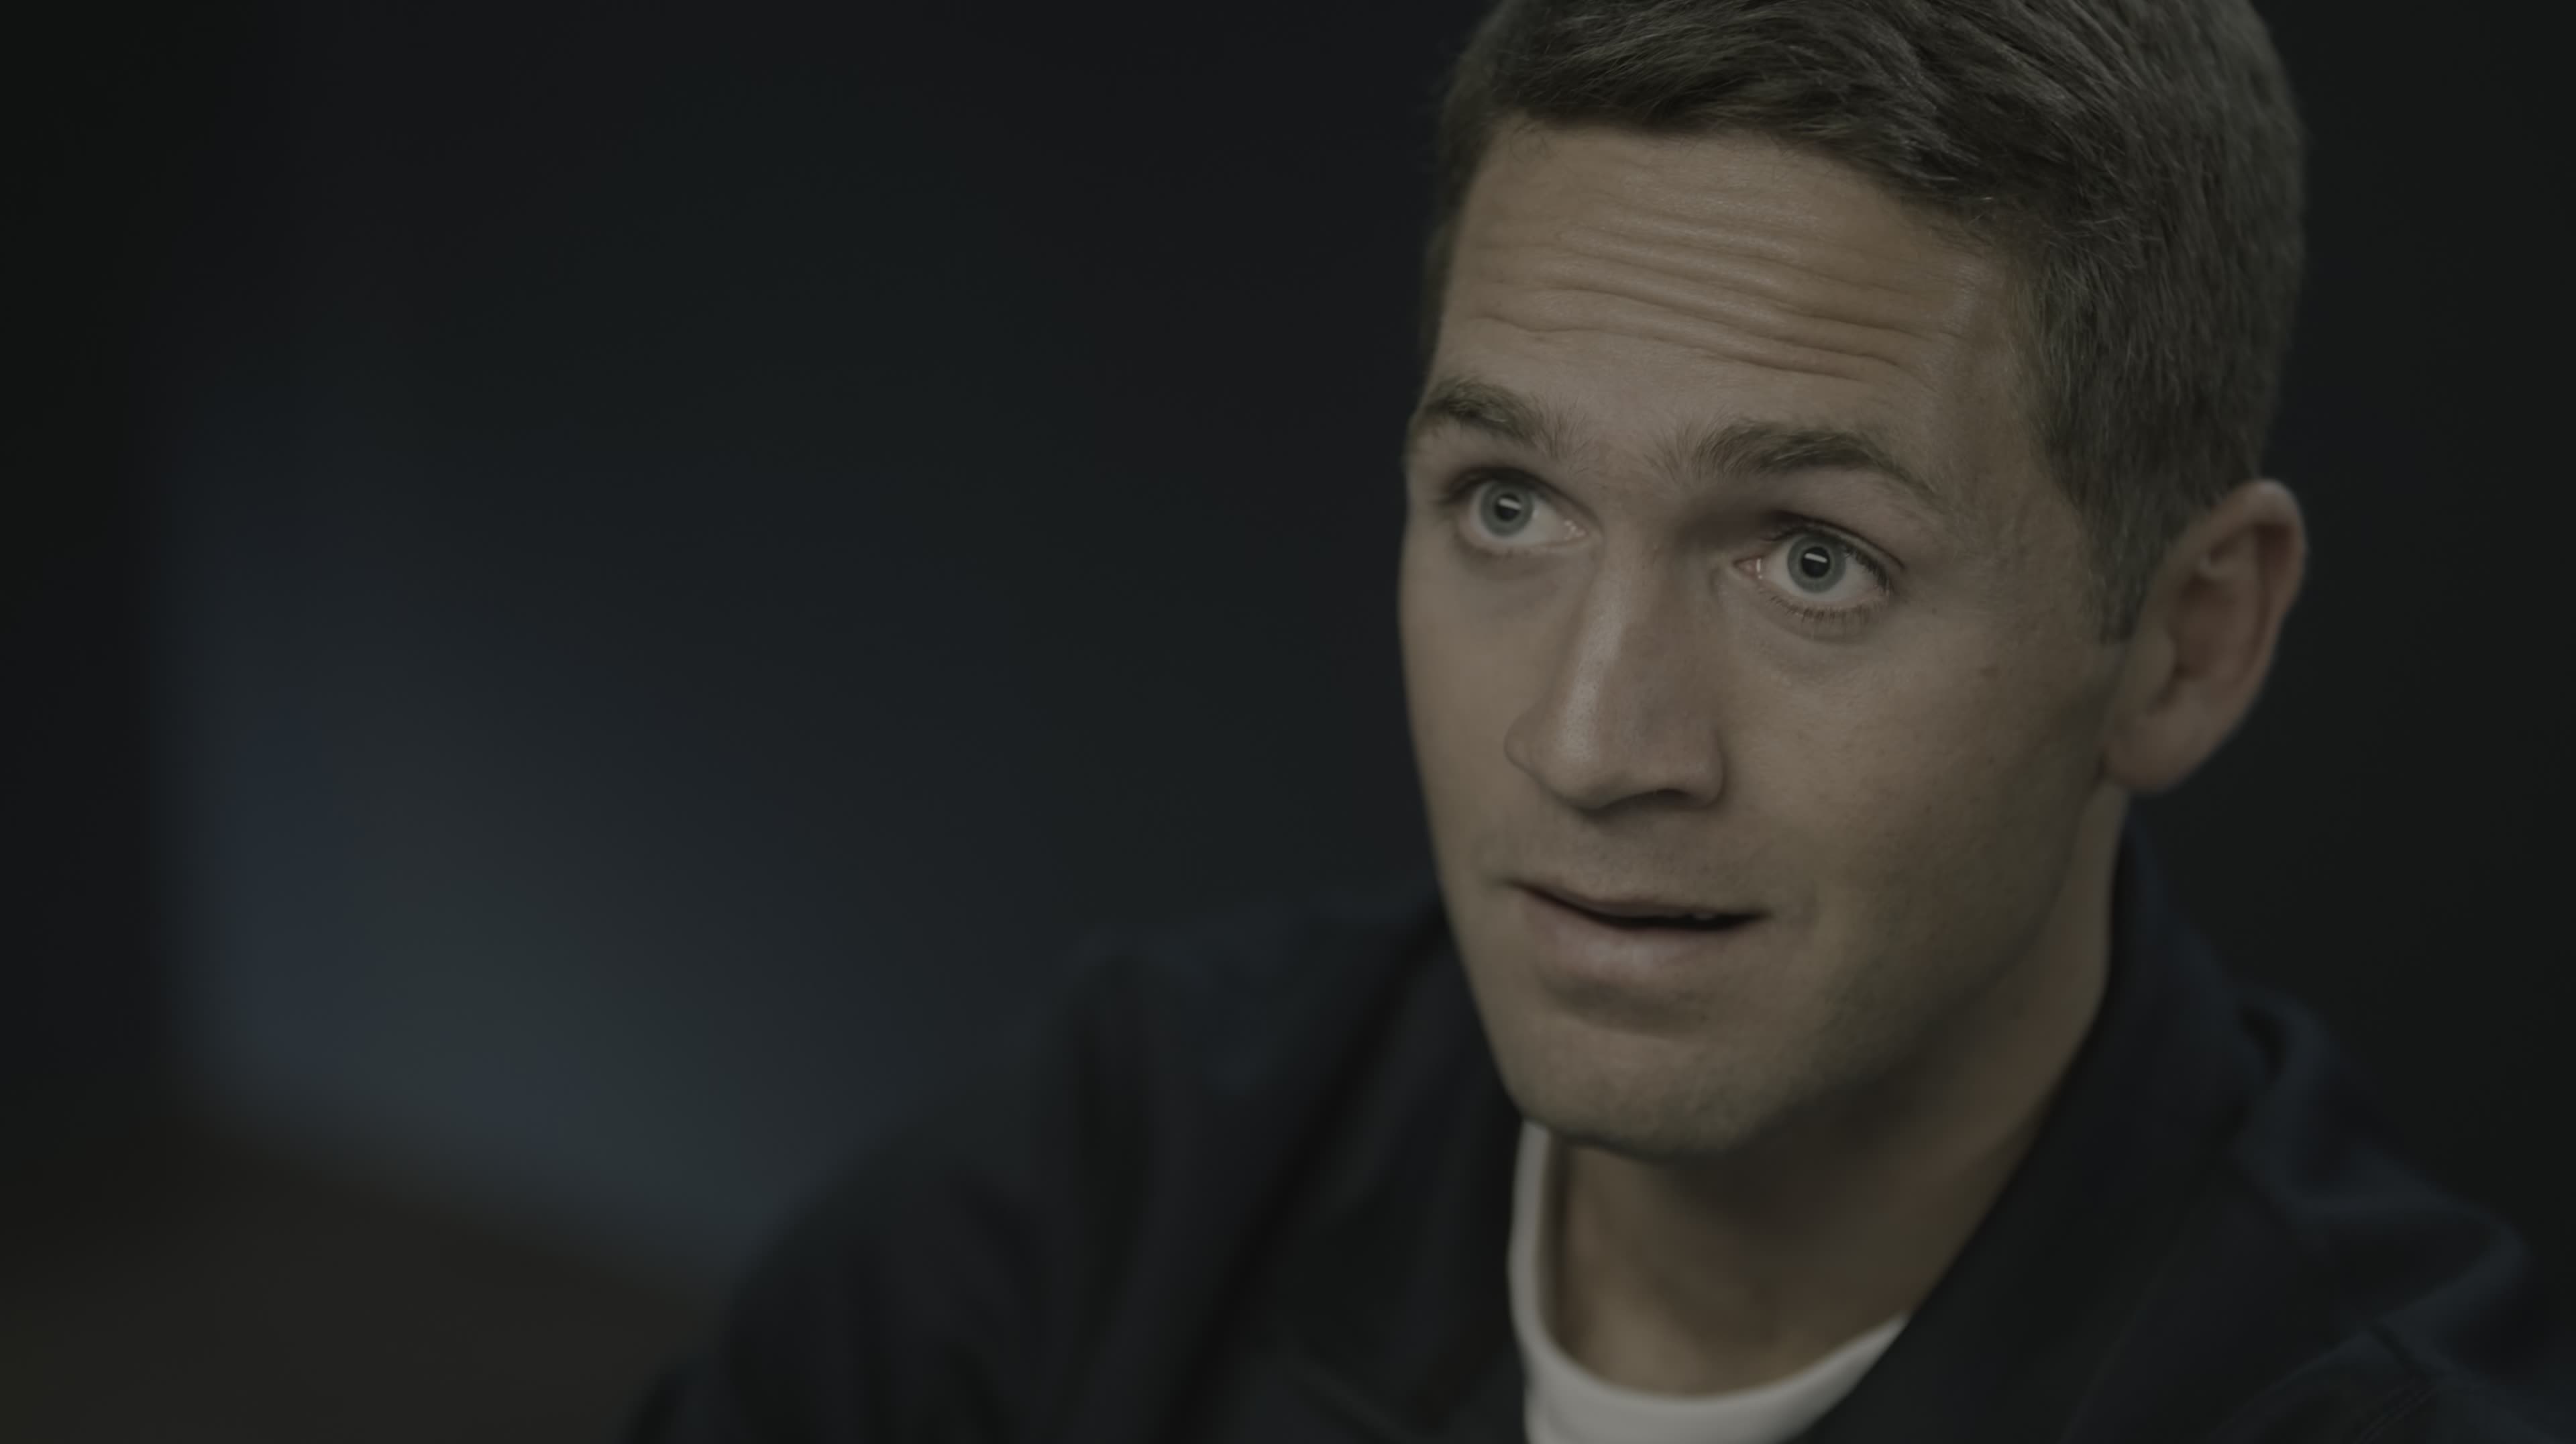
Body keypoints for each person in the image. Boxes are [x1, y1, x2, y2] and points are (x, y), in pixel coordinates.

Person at [625, 1, 2576, 1439]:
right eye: (1510, 506)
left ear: (2185, 644)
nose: (1584, 744)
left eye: (1812, 557)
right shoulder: (1125, 1173)